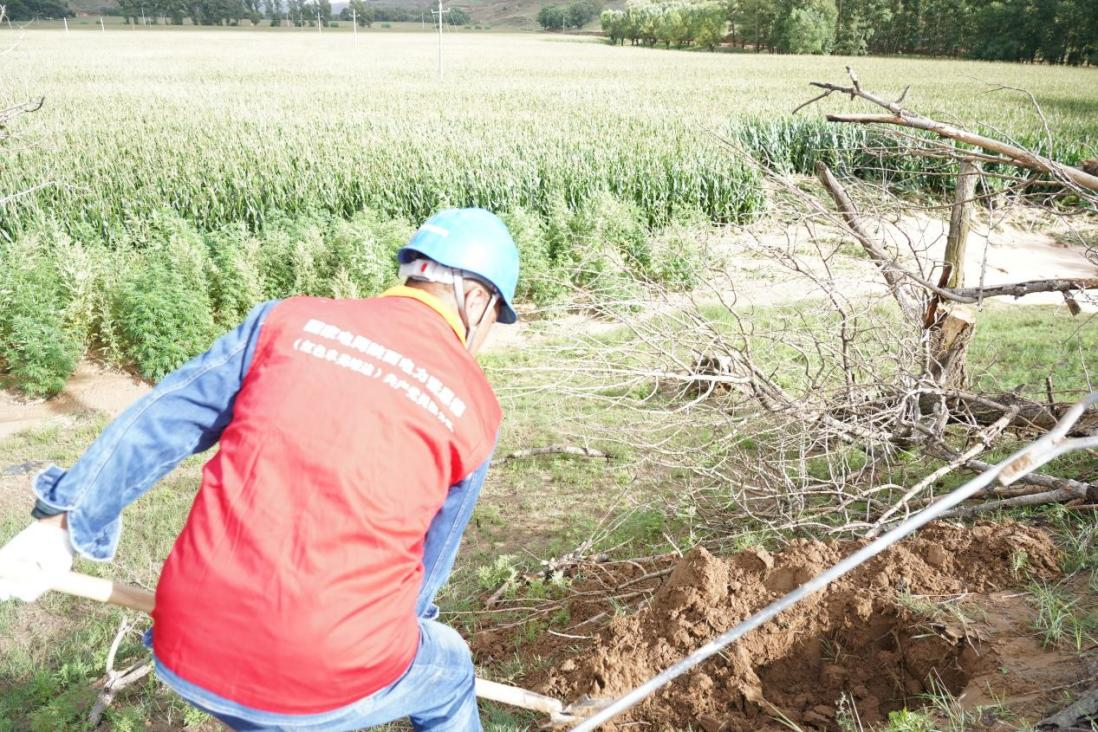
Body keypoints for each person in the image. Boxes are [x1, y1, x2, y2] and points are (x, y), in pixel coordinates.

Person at [0, 208, 520, 731]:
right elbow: (433, 559)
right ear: (476, 299)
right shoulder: (475, 405)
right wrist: (399, 629)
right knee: (449, 670)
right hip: (330, 668)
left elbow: (164, 418)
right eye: (494, 320)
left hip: (188, 644)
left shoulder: (287, 321)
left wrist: (61, 524)